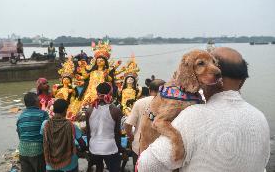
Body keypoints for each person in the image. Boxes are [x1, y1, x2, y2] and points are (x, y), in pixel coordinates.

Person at [137, 47, 270, 172]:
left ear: (217, 79)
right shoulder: (261, 119)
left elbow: (146, 166)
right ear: (243, 81)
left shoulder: (191, 115)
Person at [124, 79, 165, 169]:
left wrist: (130, 136)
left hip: (139, 146)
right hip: (162, 147)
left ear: (149, 90)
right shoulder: (168, 103)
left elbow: (128, 124)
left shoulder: (140, 102)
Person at [41, 99, 87, 172]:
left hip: (51, 165)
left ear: (53, 110)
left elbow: (43, 141)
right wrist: (80, 150)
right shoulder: (71, 126)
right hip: (70, 165)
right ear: (65, 110)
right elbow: (82, 144)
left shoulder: (45, 124)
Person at [85, 82, 122, 172]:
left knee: (98, 168)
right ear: (110, 93)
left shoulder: (89, 110)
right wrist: (119, 148)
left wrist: (89, 148)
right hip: (110, 147)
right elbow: (117, 132)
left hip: (94, 147)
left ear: (97, 93)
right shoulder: (115, 110)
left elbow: (88, 132)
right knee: (114, 169)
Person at [16, 92, 49, 172]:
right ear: (36, 102)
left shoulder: (21, 116)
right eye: (39, 100)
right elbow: (47, 133)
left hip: (22, 150)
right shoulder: (43, 114)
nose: (40, 102)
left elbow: (20, 135)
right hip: (37, 151)